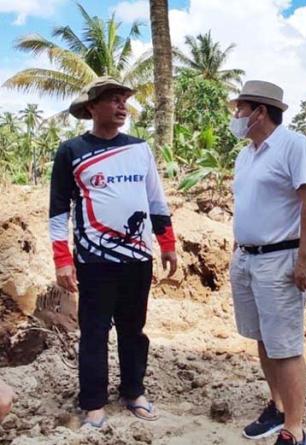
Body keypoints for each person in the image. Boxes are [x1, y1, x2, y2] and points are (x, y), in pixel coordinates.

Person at [49, 77, 178, 429]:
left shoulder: (140, 149)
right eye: (113, 100)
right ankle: (92, 401)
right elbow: (58, 210)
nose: (122, 106)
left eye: (124, 100)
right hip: (94, 260)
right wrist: (62, 259)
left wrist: (167, 243)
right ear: (92, 107)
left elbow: (155, 200)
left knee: (134, 330)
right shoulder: (71, 151)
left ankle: (133, 391)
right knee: (94, 331)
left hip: (138, 259)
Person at [228, 80, 306, 445]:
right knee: (264, 339)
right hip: (248, 258)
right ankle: (277, 407)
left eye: (240, 110)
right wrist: (235, 252)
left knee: (285, 344)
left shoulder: (294, 146)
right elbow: (248, 206)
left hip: (280, 260)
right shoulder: (247, 154)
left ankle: (295, 429)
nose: (236, 117)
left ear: (260, 112)